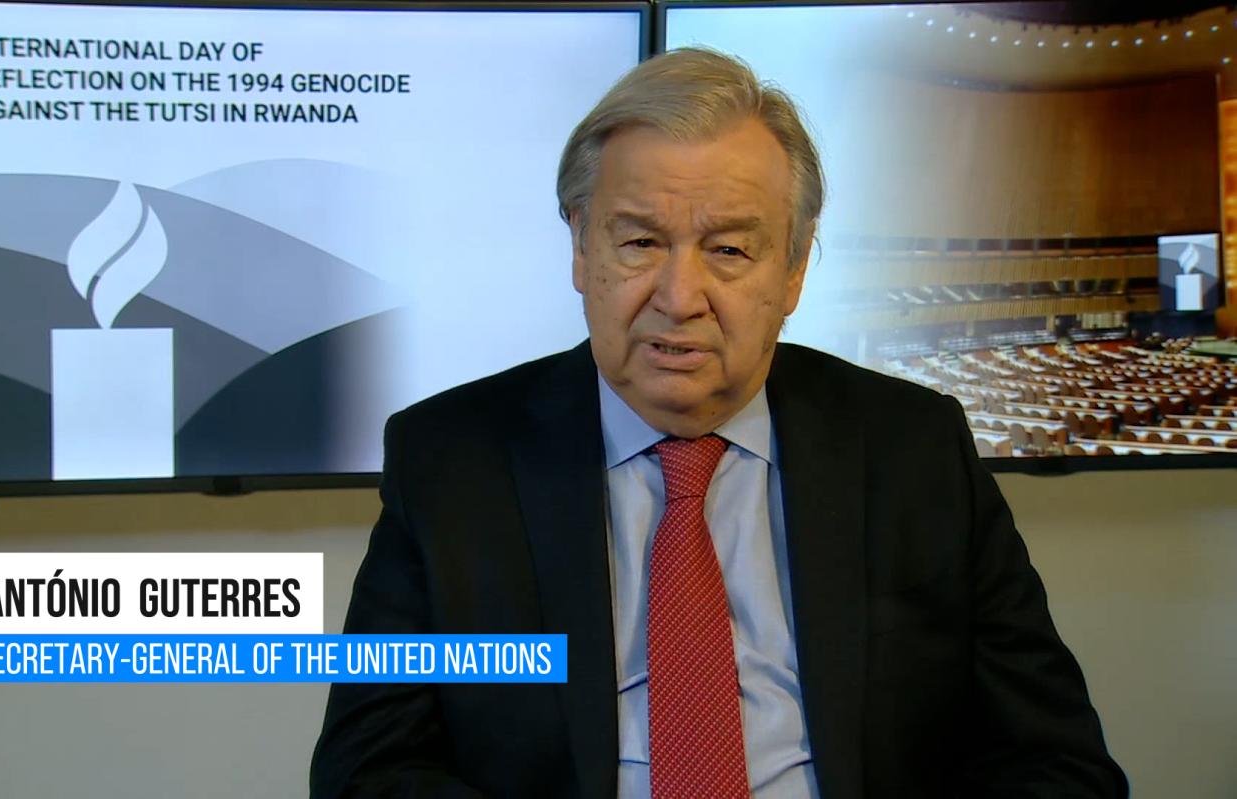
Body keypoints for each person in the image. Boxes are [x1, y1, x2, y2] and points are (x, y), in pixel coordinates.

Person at [311, 48, 1126, 798]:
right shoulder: (452, 460)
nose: (679, 297)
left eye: (730, 250)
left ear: (795, 268)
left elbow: (1058, 763)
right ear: (582, 249)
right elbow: (368, 769)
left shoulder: (914, 449)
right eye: (640, 242)